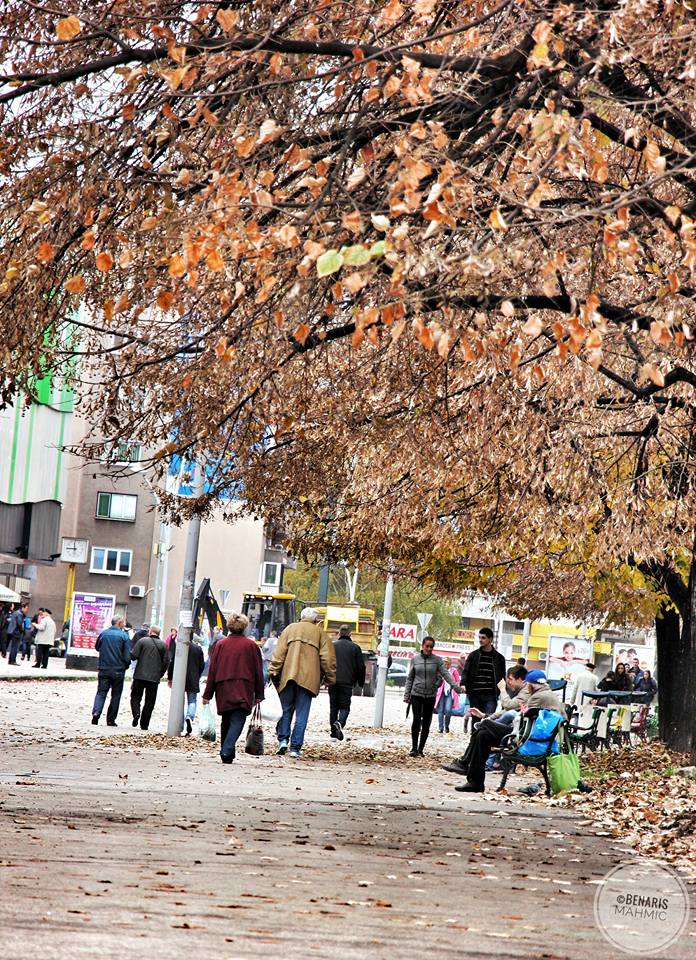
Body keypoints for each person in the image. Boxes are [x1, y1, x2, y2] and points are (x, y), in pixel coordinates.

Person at [453, 669, 564, 793]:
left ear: (532, 685)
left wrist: (488, 718)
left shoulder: (538, 696)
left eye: (528, 685)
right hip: (533, 737)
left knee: (485, 727)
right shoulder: (548, 694)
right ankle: (474, 782)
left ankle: (470, 773)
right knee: (482, 735)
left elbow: (518, 715)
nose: (527, 688)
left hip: (528, 739)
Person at [269, 607, 336, 759]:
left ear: (301, 617)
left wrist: (274, 670)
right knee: (302, 714)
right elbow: (328, 659)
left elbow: (279, 652)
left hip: (288, 676)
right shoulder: (321, 634)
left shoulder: (290, 629)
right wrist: (330, 678)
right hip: (308, 680)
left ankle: (283, 740)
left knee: (285, 710)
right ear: (315, 620)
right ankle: (295, 747)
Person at [442, 665, 528, 775]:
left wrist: (502, 689)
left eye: (510, 679)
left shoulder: (526, 691)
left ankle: (464, 764)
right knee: (482, 733)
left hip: (518, 734)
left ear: (520, 679)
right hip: (516, 730)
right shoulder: (523, 691)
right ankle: (469, 768)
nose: (508, 683)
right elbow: (507, 710)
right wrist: (485, 715)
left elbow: (508, 706)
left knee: (483, 729)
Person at [202, 612, 264, 763]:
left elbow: (213, 670)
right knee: (238, 719)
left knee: (226, 719)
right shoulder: (251, 646)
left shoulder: (221, 645)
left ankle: (227, 754)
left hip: (223, 686)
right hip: (244, 686)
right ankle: (227, 749)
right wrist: (259, 693)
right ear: (244, 627)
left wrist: (207, 694)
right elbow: (258, 671)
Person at [404, 637, 462, 757]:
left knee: (426, 722)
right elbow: (410, 678)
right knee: (416, 720)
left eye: (431, 647)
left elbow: (445, 674)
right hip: (416, 694)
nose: (429, 649)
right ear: (422, 646)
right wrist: (407, 694)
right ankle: (414, 748)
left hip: (430, 695)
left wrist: (455, 687)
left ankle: (421, 749)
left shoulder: (437, 660)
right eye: (427, 646)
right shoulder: (415, 660)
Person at [328, 624, 365, 740]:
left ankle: (333, 732)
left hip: (333, 681)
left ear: (339, 633)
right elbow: (361, 667)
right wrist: (361, 682)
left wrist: (325, 678)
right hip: (347, 683)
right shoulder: (355, 648)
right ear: (350, 634)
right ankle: (340, 722)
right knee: (344, 707)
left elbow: (326, 662)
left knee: (333, 707)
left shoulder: (332, 646)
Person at [92, 617, 131, 725]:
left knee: (101, 692)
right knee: (116, 695)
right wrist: (125, 665)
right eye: (123, 622)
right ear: (119, 623)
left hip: (104, 668)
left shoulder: (104, 634)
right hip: (118, 670)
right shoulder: (124, 636)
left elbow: (97, 647)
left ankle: (96, 712)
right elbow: (127, 656)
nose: (124, 624)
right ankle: (110, 719)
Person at [459, 627, 506, 717]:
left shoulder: (499, 658)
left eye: (483, 638)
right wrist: (463, 684)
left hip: (491, 695)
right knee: (475, 720)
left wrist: (501, 692)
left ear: (490, 639)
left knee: (488, 720)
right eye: (479, 637)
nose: (480, 640)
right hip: (475, 695)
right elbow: (466, 672)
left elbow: (502, 677)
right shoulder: (473, 656)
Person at [130, 625, 169, 731]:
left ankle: (136, 713)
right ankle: (144, 724)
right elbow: (166, 662)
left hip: (139, 675)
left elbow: (133, 655)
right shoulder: (164, 645)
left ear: (150, 631)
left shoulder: (142, 641)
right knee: (150, 701)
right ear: (158, 633)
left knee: (135, 696)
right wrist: (160, 674)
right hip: (154, 678)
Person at [167, 632, 205, 735]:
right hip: (193, 678)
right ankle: (189, 716)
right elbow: (202, 665)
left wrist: (170, 678)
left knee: (180, 703)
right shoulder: (198, 649)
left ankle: (181, 726)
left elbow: (172, 663)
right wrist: (198, 675)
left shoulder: (180, 647)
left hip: (180, 677)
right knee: (192, 700)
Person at [435, 657, 461, 734]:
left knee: (448, 710)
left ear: (450, 664)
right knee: (440, 710)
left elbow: (457, 681)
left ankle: (446, 726)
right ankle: (440, 728)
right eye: (444, 663)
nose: (445, 664)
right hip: (441, 692)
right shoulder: (439, 671)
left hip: (450, 692)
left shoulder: (454, 671)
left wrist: (457, 688)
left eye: (446, 663)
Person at [6, 601, 29, 666]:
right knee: (15, 647)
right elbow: (19, 624)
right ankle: (13, 660)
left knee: (13, 646)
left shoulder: (16, 612)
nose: (27, 610)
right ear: (23, 608)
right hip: (16, 632)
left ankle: (11, 660)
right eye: (26, 608)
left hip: (13, 631)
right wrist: (22, 631)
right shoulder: (19, 614)